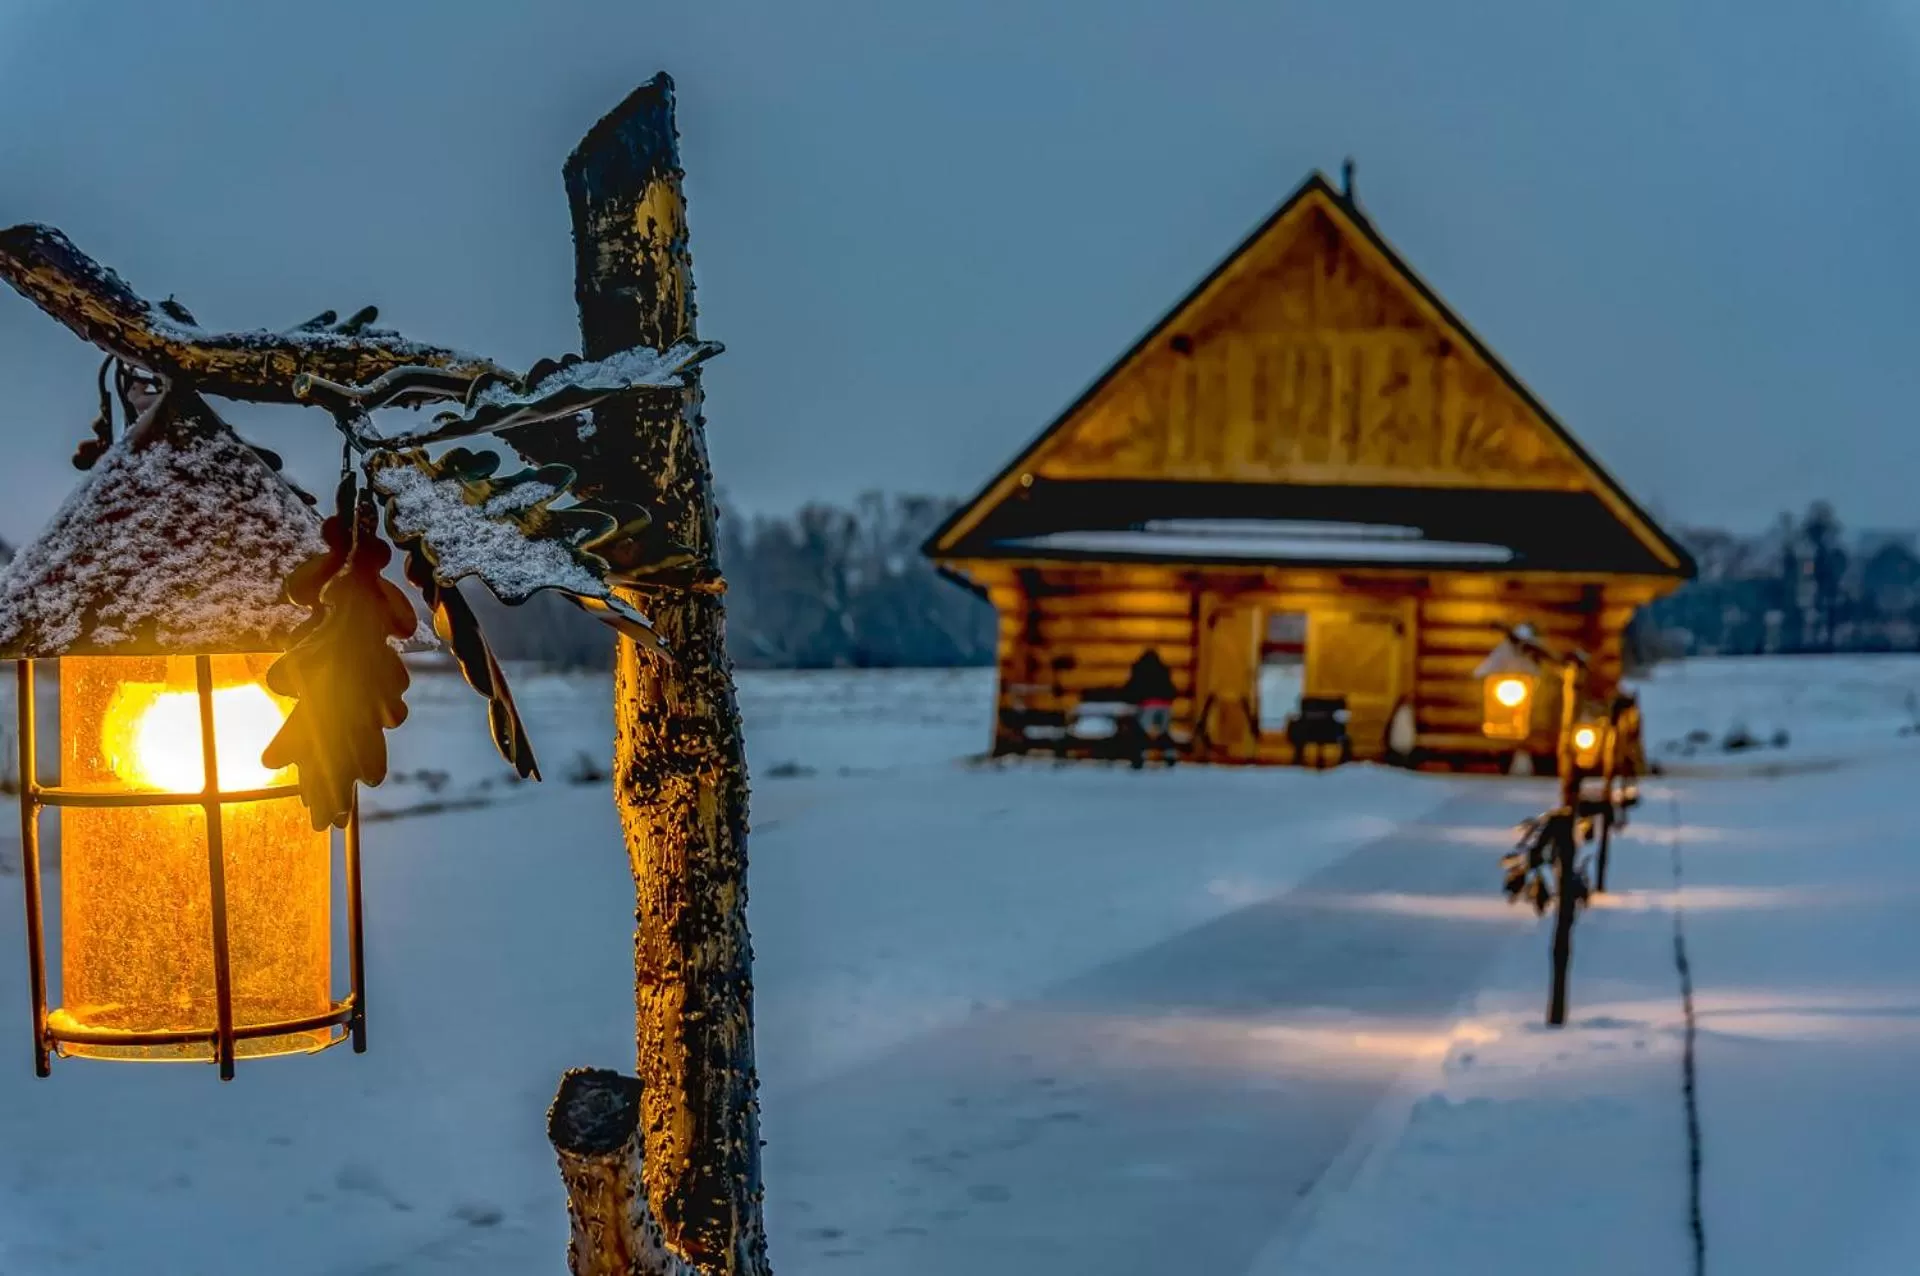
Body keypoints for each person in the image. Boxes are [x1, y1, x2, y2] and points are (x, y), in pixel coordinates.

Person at [1124, 648, 1176, 767]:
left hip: (1147, 706)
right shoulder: (1164, 672)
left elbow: (1132, 690)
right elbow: (1172, 691)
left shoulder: (1139, 670)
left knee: (1141, 732)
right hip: (1164, 707)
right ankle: (1170, 754)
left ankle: (1139, 756)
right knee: (1163, 731)